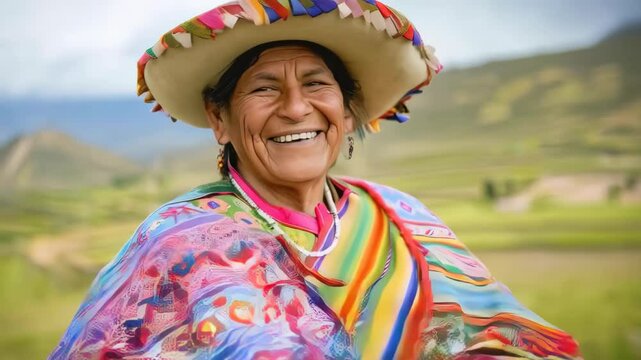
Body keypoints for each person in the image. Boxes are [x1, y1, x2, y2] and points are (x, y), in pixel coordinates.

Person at [51, 1, 581, 359]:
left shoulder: (400, 214)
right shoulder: (181, 242)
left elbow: (490, 337)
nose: (296, 108)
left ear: (347, 113)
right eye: (263, 88)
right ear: (220, 119)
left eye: (316, 84)